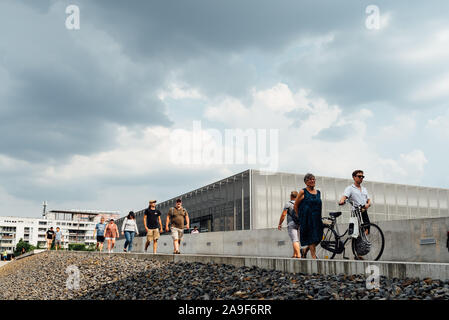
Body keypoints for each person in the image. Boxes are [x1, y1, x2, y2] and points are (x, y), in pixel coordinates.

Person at [294, 173, 323, 259]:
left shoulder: (318, 192)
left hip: (317, 218)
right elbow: (295, 205)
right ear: (306, 182)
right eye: (310, 179)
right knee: (311, 237)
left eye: (313, 179)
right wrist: (299, 216)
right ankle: (313, 256)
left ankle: (305, 250)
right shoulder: (303, 192)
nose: (312, 181)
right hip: (307, 218)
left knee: (319, 237)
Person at [338, 170, 372, 236]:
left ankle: (362, 243)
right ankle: (355, 244)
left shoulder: (364, 189)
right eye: (359, 176)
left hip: (364, 211)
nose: (361, 178)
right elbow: (344, 197)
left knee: (367, 228)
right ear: (354, 177)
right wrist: (342, 201)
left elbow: (369, 200)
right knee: (354, 233)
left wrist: (368, 204)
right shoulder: (350, 188)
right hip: (356, 212)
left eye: (362, 176)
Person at [278, 191, 304, 258]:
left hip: (292, 223)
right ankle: (295, 254)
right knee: (296, 239)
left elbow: (283, 214)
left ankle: (298, 255)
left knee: (295, 240)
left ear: (291, 196)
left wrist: (280, 224)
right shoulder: (301, 203)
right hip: (300, 223)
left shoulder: (288, 204)